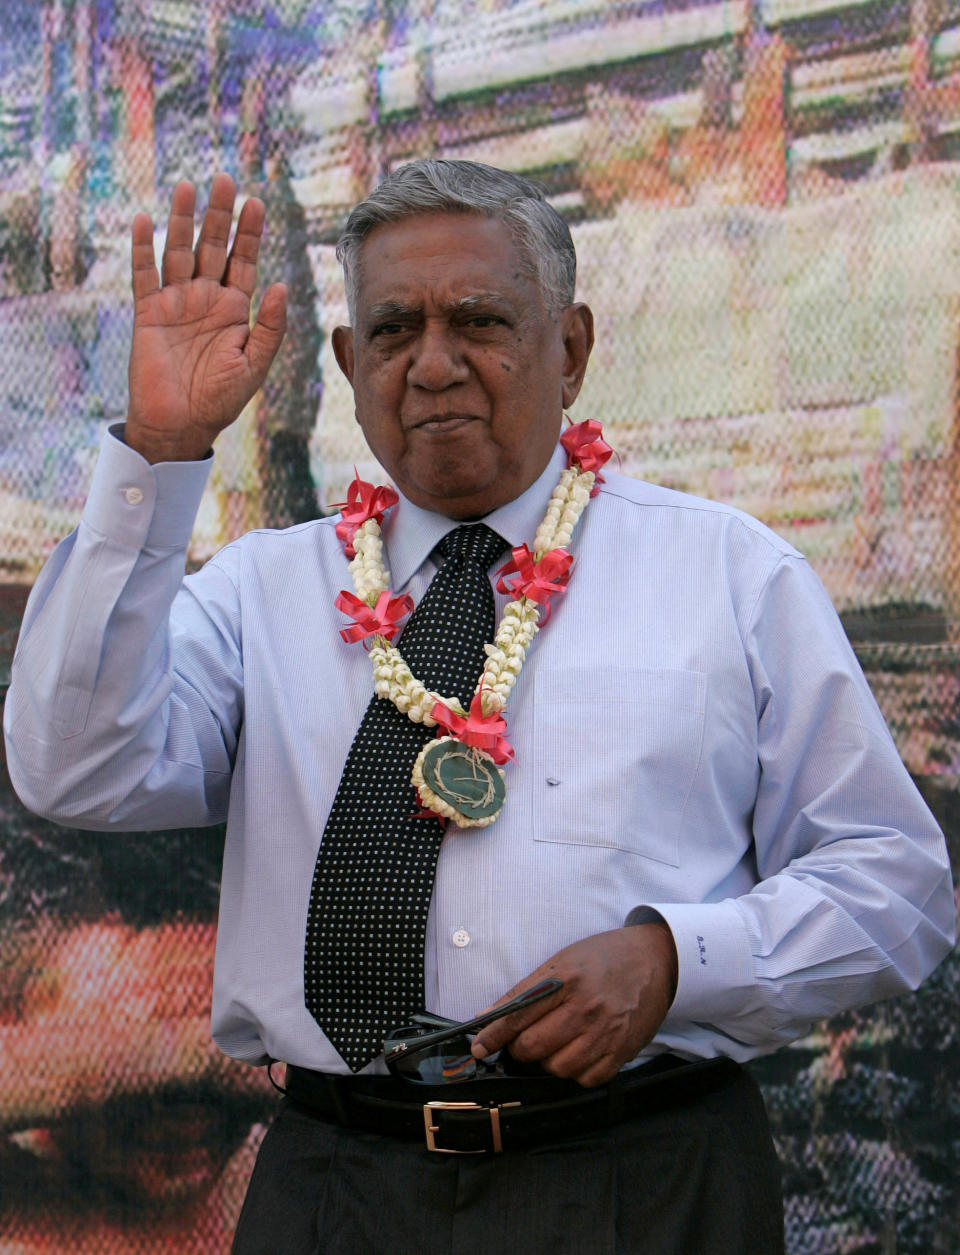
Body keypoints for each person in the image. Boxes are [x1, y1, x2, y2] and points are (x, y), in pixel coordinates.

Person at [3, 159, 955, 1255]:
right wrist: (159, 448)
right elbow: (72, 766)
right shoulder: (260, 594)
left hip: (643, 1181)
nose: (436, 363)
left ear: (574, 349)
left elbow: (897, 880)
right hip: (336, 1187)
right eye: (395, 329)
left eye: (481, 320)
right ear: (351, 365)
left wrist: (677, 962)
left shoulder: (731, 575)